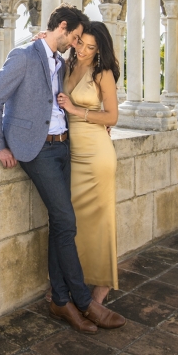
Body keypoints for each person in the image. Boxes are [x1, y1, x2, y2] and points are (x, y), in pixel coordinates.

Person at [0, 5, 125, 334]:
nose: (77, 44)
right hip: (37, 150)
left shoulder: (60, 61)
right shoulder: (23, 56)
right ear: (62, 27)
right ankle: (83, 301)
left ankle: (60, 301)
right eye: (75, 37)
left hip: (65, 146)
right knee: (66, 221)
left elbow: (82, 99)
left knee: (59, 223)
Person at [56, 21, 120, 305]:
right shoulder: (68, 65)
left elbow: (112, 117)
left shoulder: (102, 73)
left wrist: (75, 109)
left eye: (91, 47)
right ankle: (73, 282)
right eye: (81, 43)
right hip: (73, 154)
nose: (83, 50)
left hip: (97, 156)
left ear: (100, 50)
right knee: (75, 224)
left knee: (101, 222)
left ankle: (102, 287)